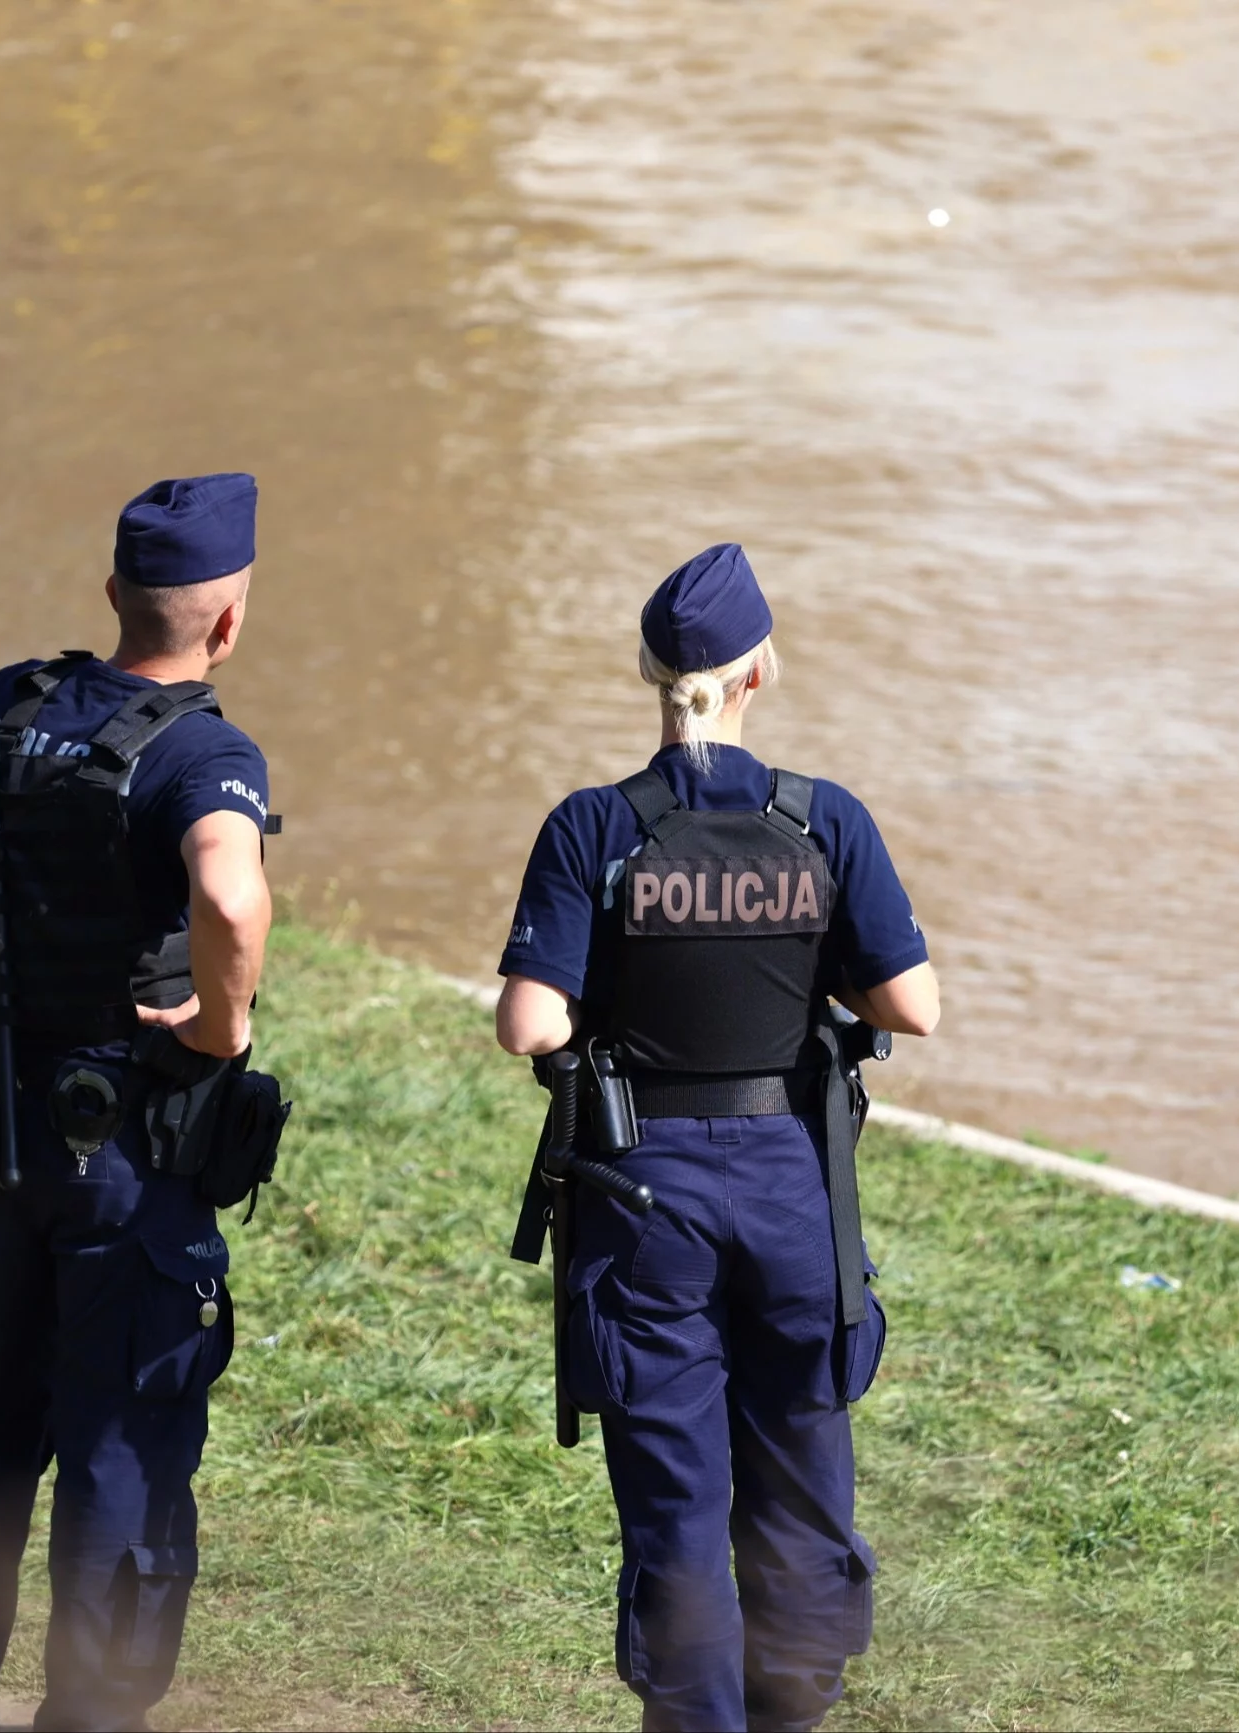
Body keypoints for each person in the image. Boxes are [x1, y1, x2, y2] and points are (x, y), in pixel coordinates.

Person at [0, 473, 277, 1733]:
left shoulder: (13, 703)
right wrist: (220, 1026)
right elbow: (232, 901)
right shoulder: (205, 749)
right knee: (120, 1470)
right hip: (129, 1163)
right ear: (229, 620)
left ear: (112, 596)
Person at [494, 542, 941, 1733]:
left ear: (650, 673)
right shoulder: (823, 820)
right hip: (796, 1194)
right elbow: (915, 1006)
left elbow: (530, 1020)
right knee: (802, 1481)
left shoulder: (597, 826)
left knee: (676, 1501)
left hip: (646, 1205)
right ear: (758, 674)